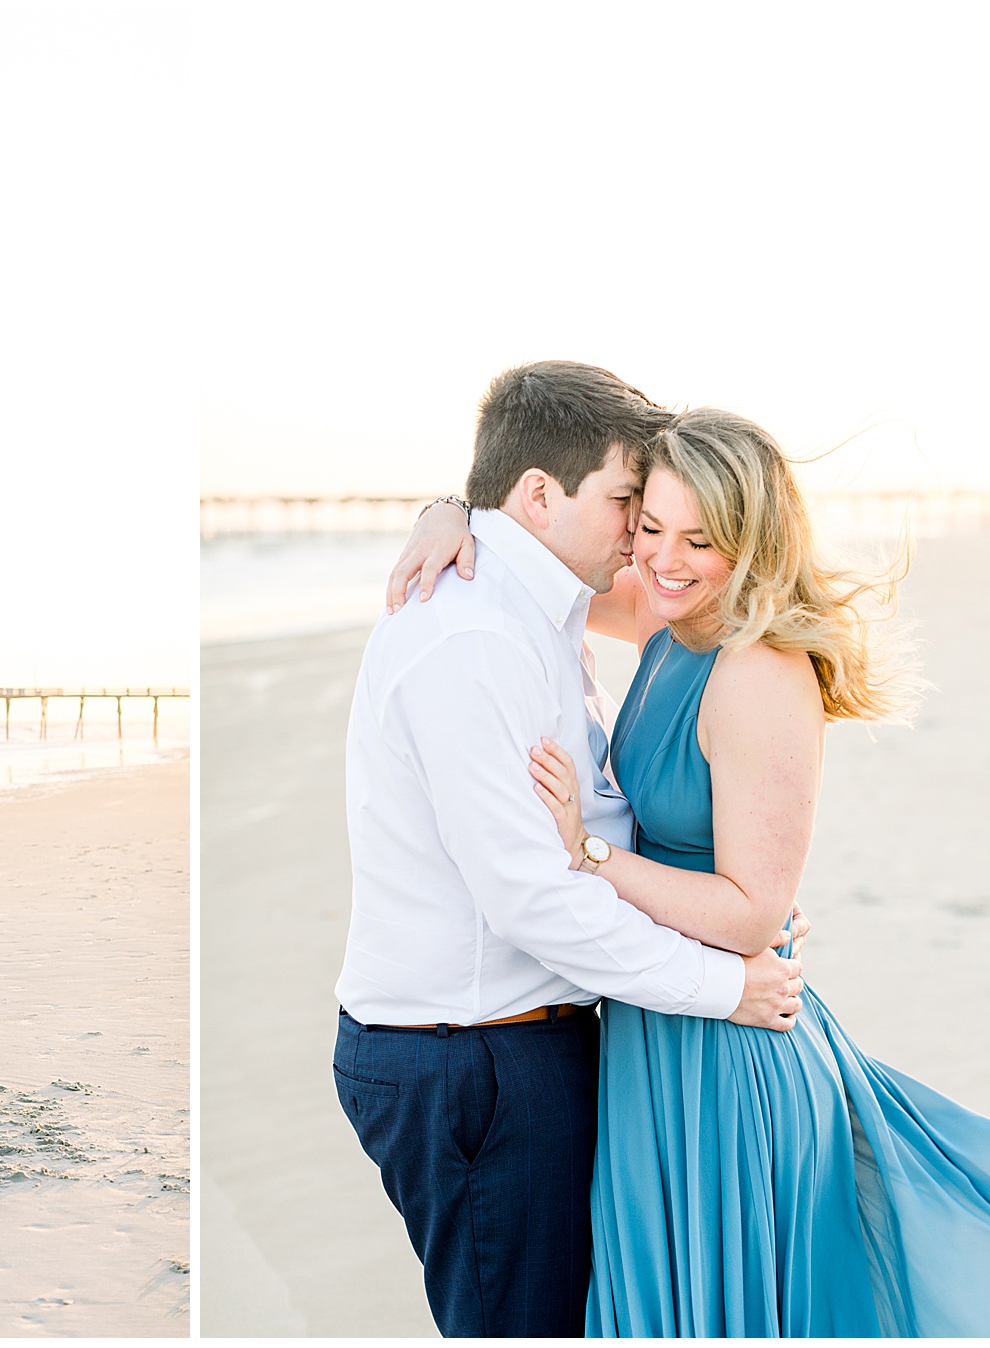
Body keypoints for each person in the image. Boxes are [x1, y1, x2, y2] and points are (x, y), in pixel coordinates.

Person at [394, 405, 990, 1335]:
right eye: (648, 530)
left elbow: (757, 912)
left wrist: (589, 855)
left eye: (700, 540)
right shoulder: (665, 616)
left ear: (751, 542)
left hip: (727, 1048)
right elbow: (529, 566)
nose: (665, 559)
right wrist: (451, 515)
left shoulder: (760, 670)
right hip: (654, 1032)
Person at [334, 361, 809, 1339]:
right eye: (630, 504)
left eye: (671, 520)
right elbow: (534, 901)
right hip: (473, 1056)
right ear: (542, 496)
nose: (643, 541)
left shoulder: (549, 604)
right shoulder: (474, 634)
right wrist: (725, 986)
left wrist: (453, 508)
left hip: (560, 1037)